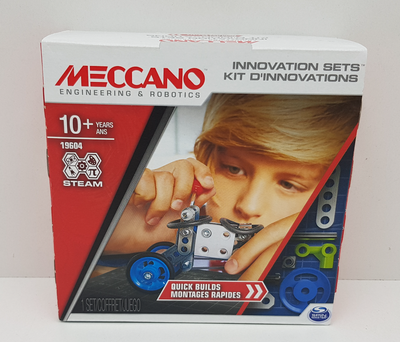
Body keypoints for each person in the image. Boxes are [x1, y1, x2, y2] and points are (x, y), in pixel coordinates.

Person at [103, 93, 361, 280]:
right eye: (233, 169)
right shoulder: (172, 234)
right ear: (206, 160)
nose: (248, 206)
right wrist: (111, 234)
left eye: (288, 185)